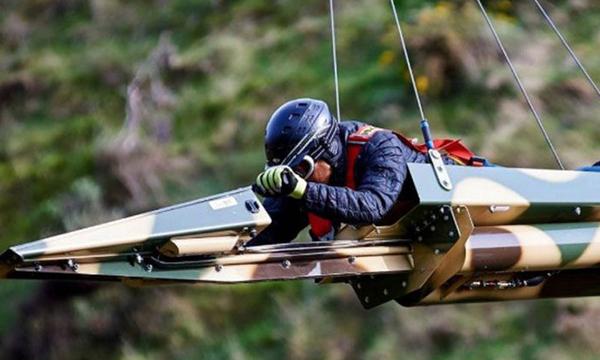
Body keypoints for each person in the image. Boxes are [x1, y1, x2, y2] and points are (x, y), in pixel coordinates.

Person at [248, 98, 469, 246]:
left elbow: (373, 205)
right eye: (290, 174)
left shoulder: (380, 147)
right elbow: (269, 230)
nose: (297, 180)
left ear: (328, 150)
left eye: (302, 169)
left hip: (471, 190)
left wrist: (302, 190)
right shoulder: (303, 185)